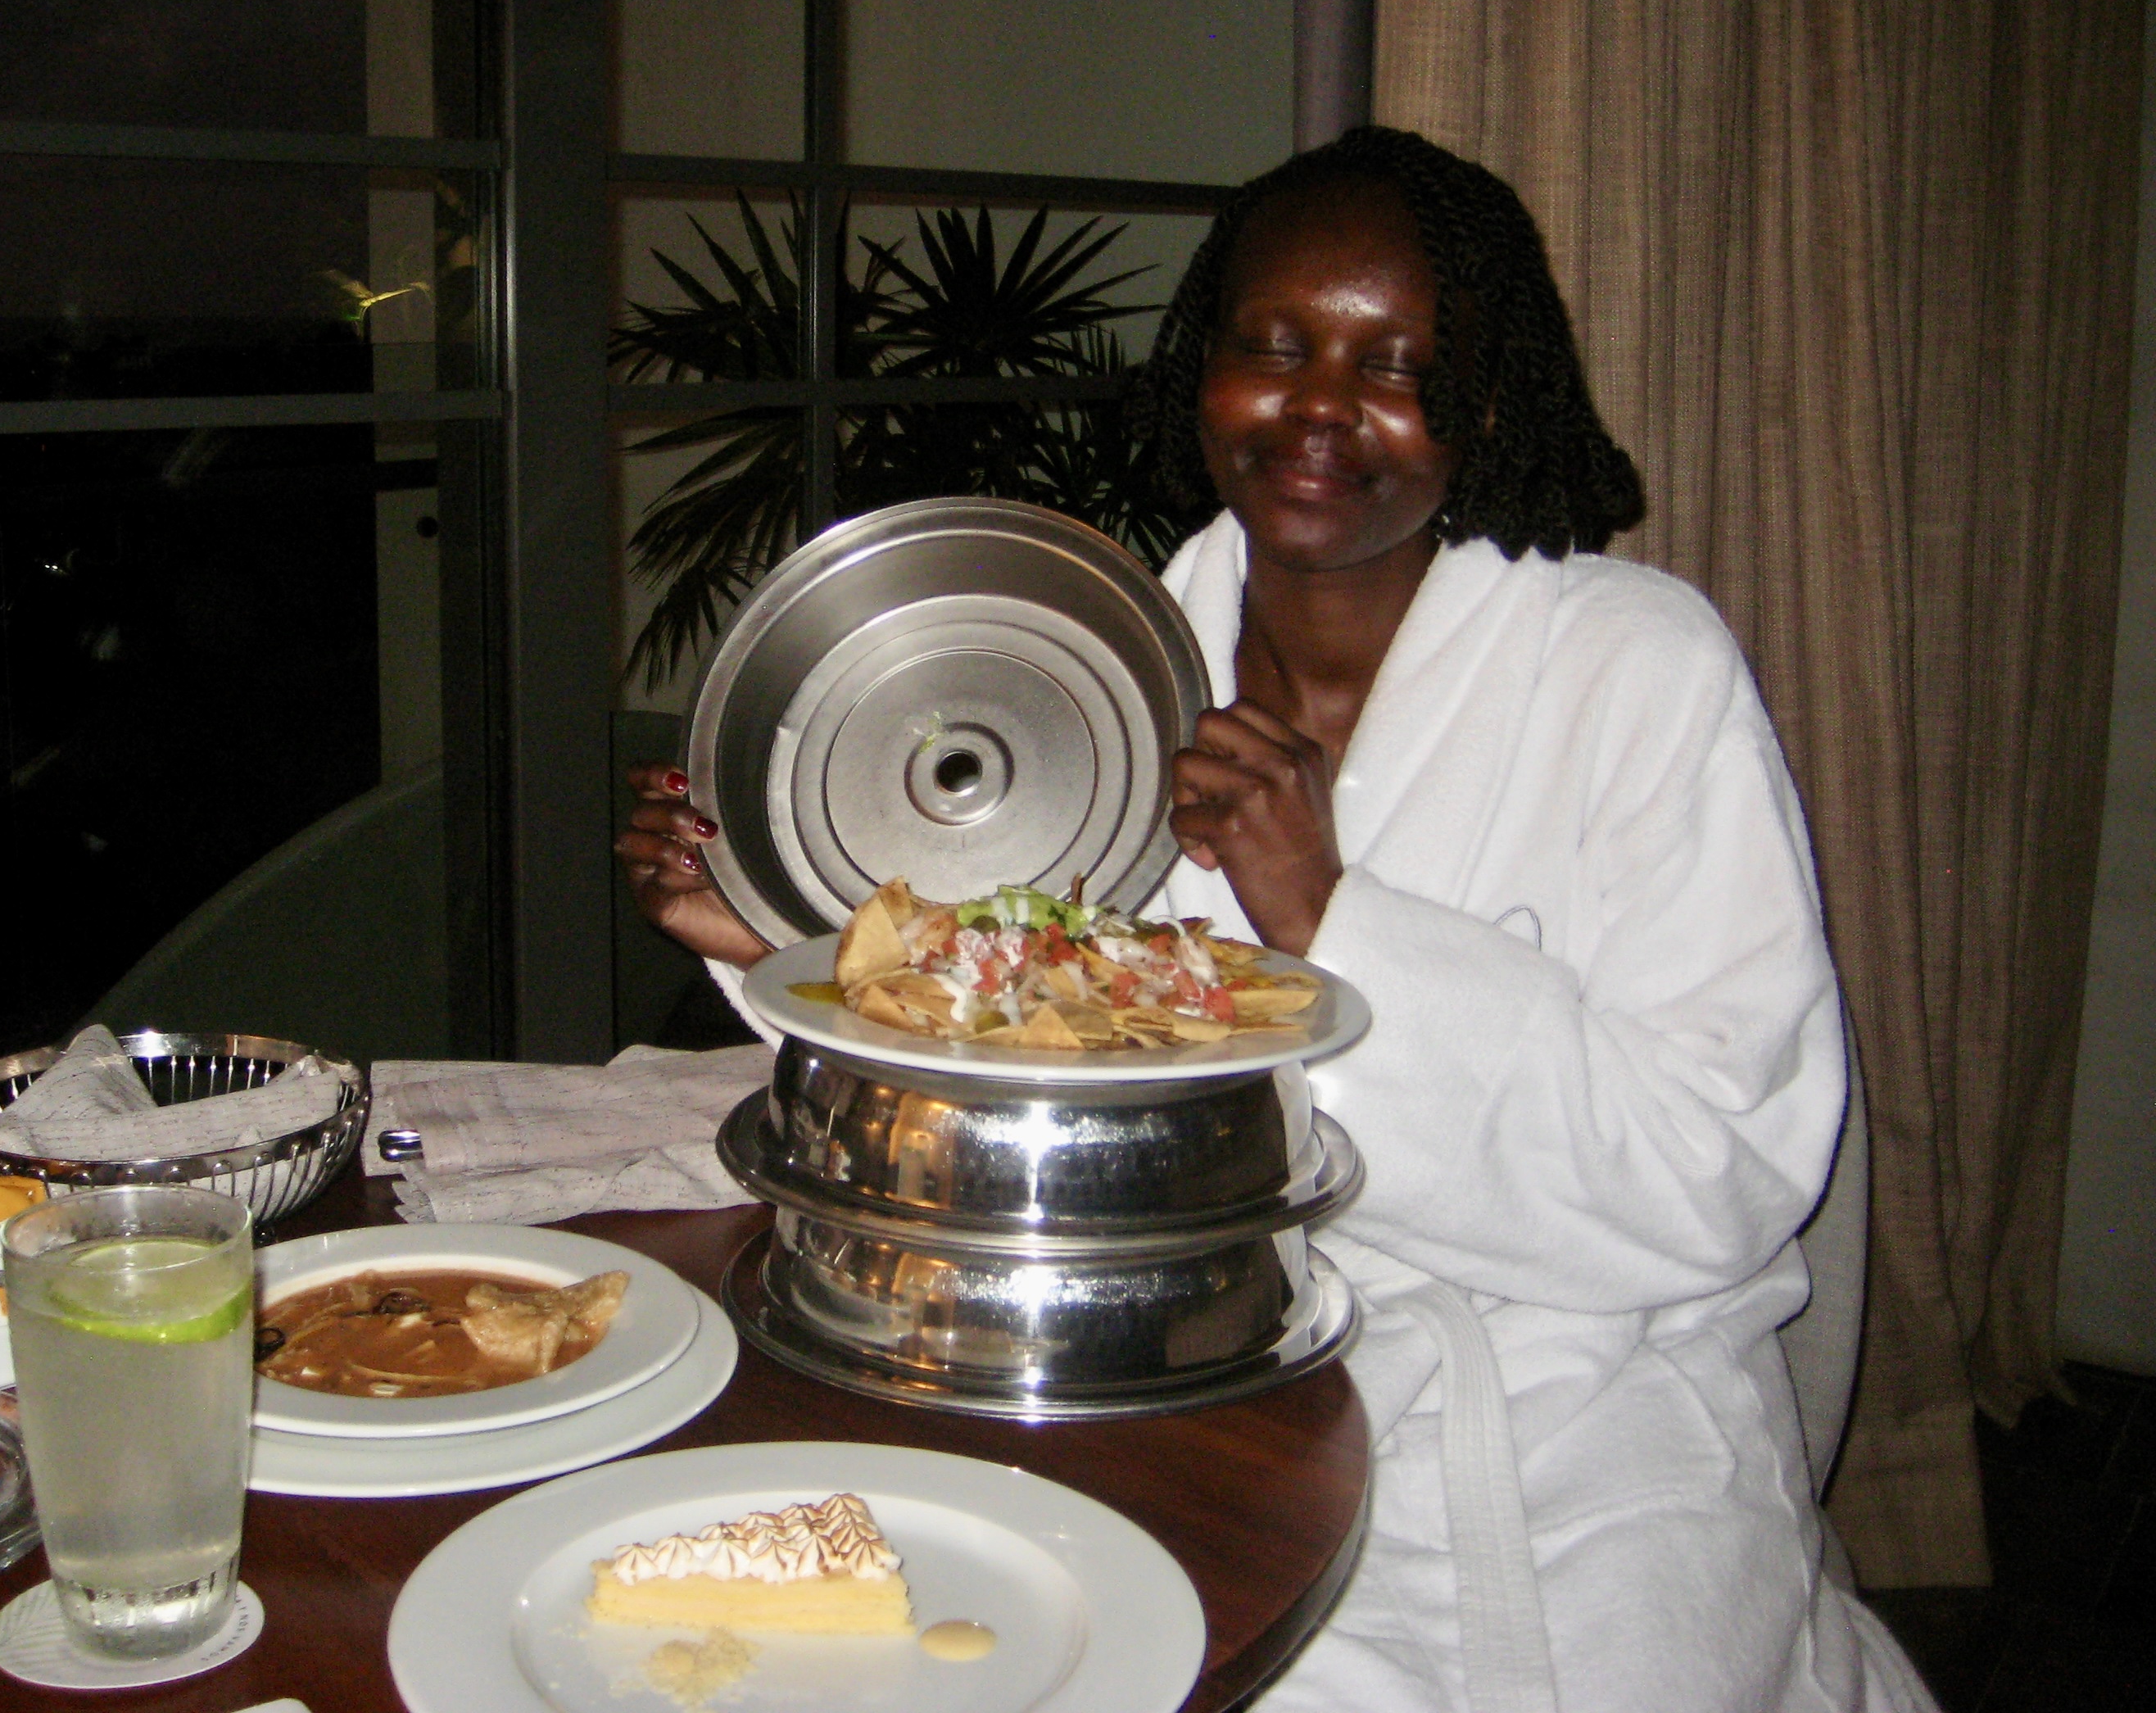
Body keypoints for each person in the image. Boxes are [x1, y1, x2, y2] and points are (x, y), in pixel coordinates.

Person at [617, 126, 1937, 1713]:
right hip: (1197, 1375)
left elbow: (1725, 1160)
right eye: (1276, 347)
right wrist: (764, 938)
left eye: (1397, 363)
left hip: (1586, 1406)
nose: (1322, 406)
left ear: (1493, 400)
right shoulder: (1109, 682)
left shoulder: (1640, 676)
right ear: (1204, 369)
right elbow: (1005, 1043)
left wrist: (1333, 915)